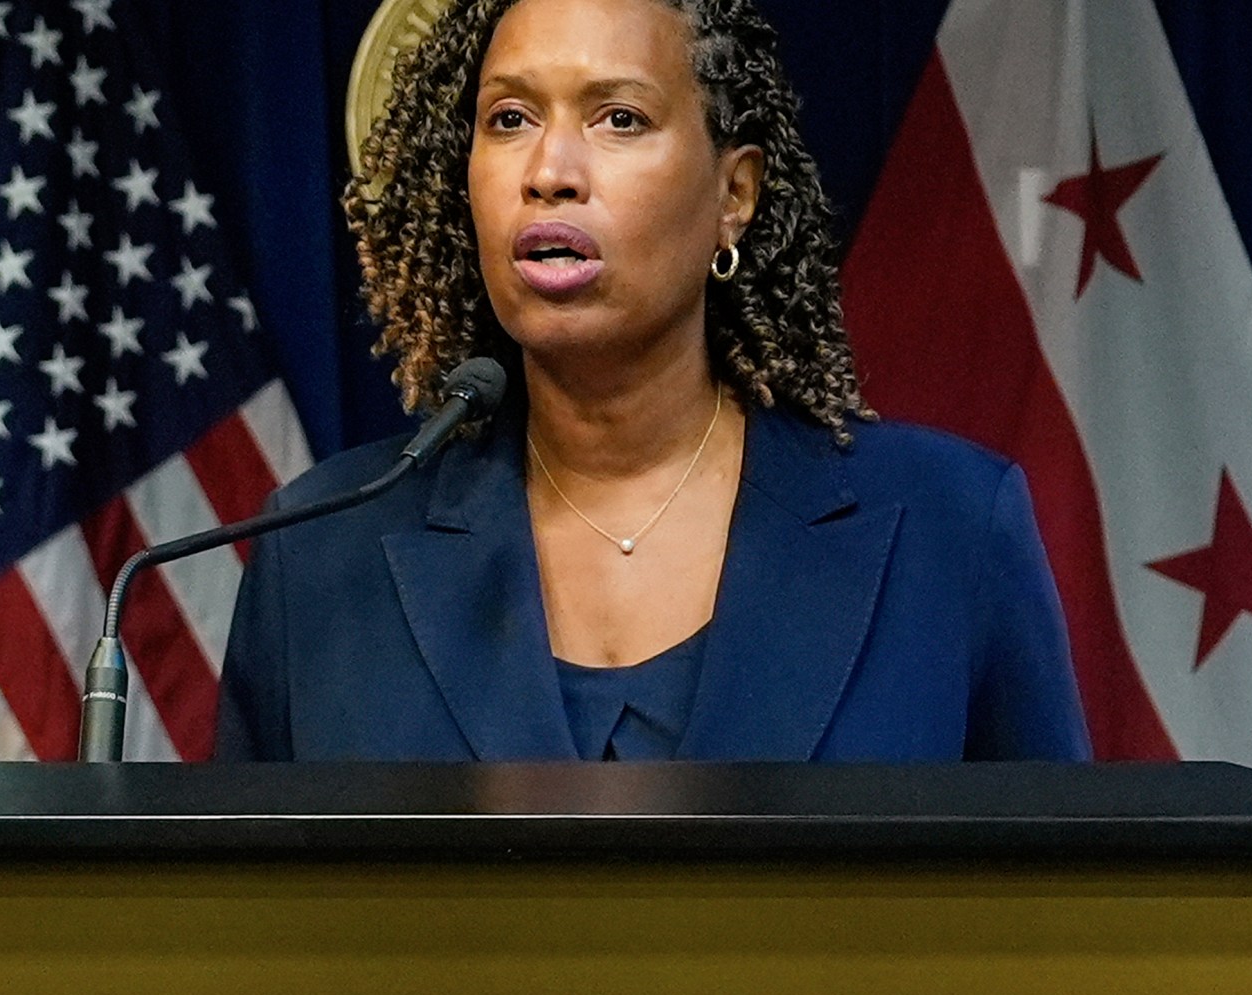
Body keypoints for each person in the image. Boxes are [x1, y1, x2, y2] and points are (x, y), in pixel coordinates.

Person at [216, 0, 1089, 762]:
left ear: (733, 195)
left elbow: (1063, 927)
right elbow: (250, 941)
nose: (549, 170)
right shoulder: (320, 558)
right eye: (510, 118)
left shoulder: (950, 530)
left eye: (619, 119)